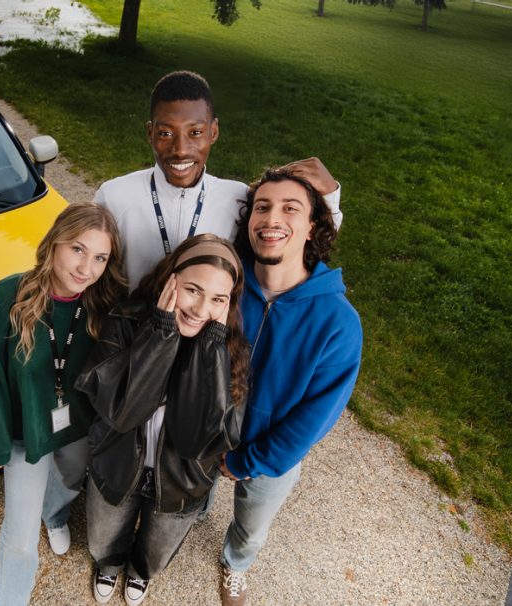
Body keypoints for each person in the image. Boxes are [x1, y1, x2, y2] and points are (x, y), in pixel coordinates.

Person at [212, 167, 363, 606]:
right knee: (192, 499)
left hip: (270, 453)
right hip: (205, 430)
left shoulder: (339, 323)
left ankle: (235, 564)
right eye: (262, 207)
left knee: (252, 526)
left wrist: (249, 461)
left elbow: (311, 421)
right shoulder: (225, 282)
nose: (272, 218)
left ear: (312, 225)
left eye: (289, 208)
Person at [76, 234, 250, 606]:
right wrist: (161, 332)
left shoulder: (230, 350)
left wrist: (209, 349)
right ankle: (109, 563)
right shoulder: (125, 322)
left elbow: (195, 441)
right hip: (118, 462)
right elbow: (124, 412)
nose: (201, 308)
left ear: (228, 305)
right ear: (171, 280)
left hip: (181, 481)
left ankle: (140, 573)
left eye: (218, 299)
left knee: (157, 550)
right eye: (192, 290)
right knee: (102, 538)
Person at [0, 203, 129, 606]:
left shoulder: (101, 303)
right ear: (54, 243)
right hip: (26, 430)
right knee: (21, 536)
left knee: (72, 478)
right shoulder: (9, 295)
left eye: (100, 258)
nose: (86, 268)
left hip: (76, 424)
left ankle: (55, 513)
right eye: (78, 249)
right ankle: (11, 599)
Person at [93, 70, 344, 287]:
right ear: (150, 133)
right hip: (126, 338)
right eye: (166, 133)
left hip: (210, 340)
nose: (180, 149)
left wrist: (330, 197)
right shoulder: (114, 196)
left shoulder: (237, 198)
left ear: (213, 132)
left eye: (196, 132)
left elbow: (297, 242)